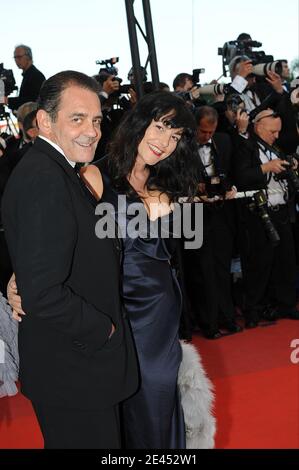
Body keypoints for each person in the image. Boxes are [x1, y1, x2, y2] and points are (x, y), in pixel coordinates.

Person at [8, 91, 201, 448]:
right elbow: (62, 243)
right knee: (133, 421)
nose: (164, 143)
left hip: (162, 324)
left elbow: (176, 257)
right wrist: (18, 278)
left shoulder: (170, 190)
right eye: (159, 128)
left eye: (175, 137)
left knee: (162, 416)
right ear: (140, 123)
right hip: (123, 320)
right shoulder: (97, 178)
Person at [2, 70, 138, 449]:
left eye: (95, 120)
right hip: (75, 366)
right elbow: (43, 291)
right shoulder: (45, 178)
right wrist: (103, 330)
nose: (92, 130)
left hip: (81, 365)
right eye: (77, 118)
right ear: (44, 121)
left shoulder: (60, 170)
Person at [8, 45, 45, 111]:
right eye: (15, 57)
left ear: (28, 57)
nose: (16, 60)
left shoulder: (36, 75)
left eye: (19, 57)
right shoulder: (29, 75)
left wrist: (7, 100)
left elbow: (31, 101)